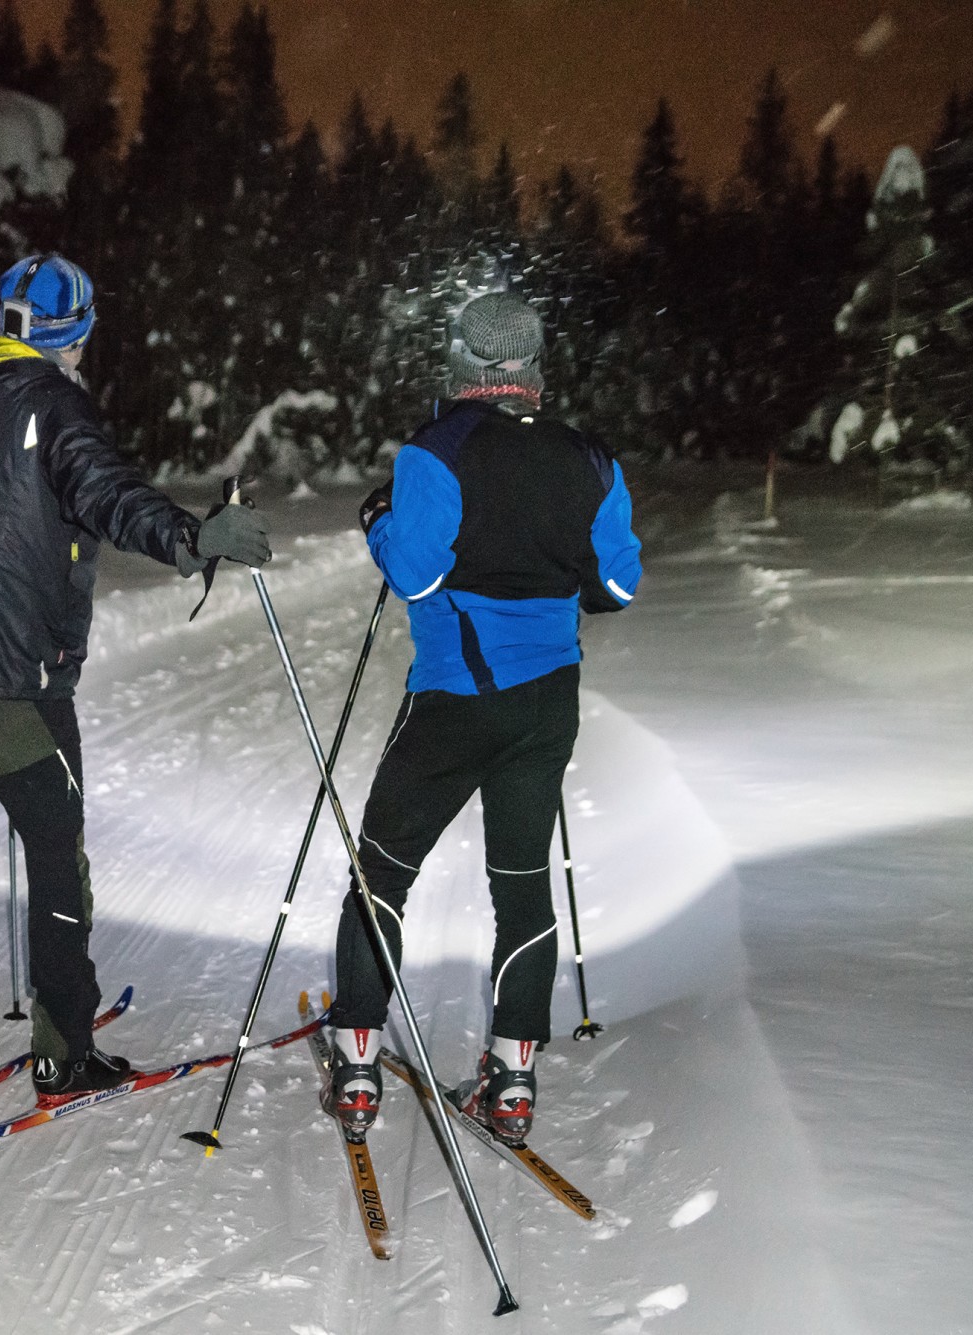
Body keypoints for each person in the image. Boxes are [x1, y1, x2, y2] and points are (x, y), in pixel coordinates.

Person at [0, 253, 272, 1112]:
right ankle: (63, 1050)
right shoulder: (54, 403)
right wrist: (192, 539)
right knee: (58, 858)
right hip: (14, 683)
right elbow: (109, 493)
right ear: (75, 331)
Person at [321, 290, 641, 1146]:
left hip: (455, 700)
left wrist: (380, 521)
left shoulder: (435, 451)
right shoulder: (588, 458)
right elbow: (617, 586)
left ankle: (356, 1055)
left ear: (461, 364)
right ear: (534, 367)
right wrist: (549, 562)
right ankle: (513, 1079)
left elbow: (415, 574)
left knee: (382, 864)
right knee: (521, 884)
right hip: (547, 704)